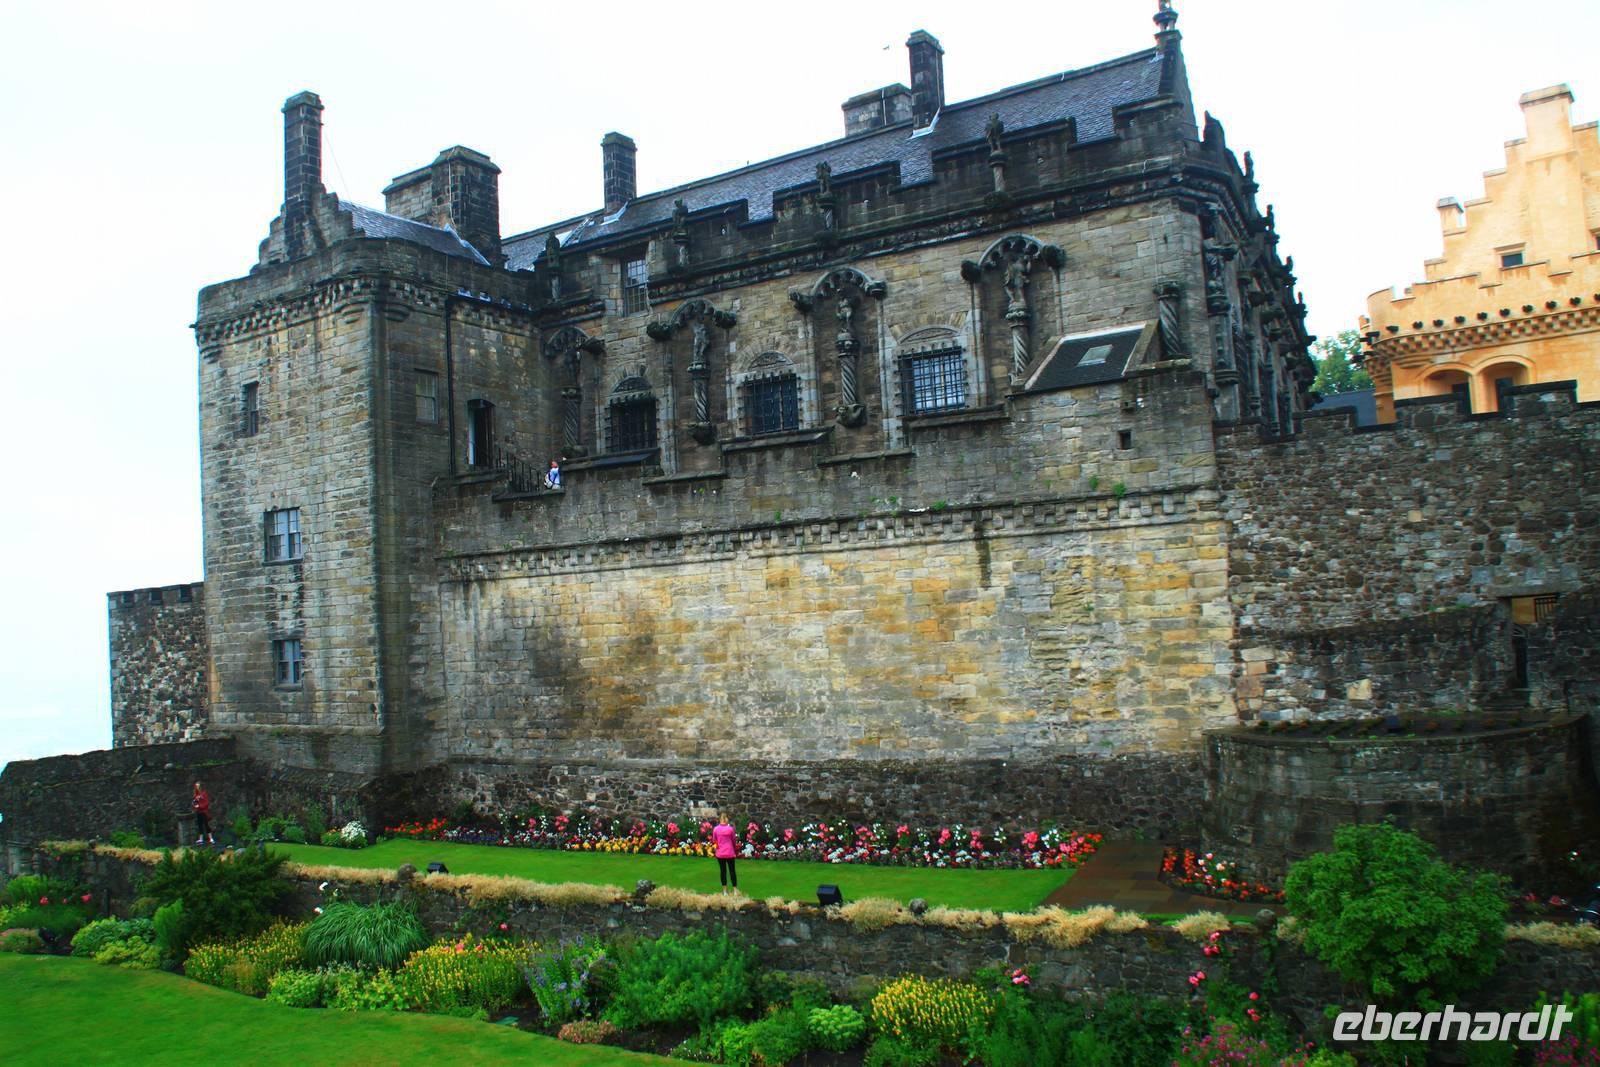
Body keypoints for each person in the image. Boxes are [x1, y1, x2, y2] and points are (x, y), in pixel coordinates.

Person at [711, 813, 738, 893]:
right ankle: (735, 890)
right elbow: (734, 841)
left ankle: (725, 891)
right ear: (726, 819)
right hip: (730, 852)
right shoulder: (730, 829)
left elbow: (714, 841)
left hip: (720, 853)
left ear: (720, 819)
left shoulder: (715, 829)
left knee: (723, 871)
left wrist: (718, 846)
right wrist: (733, 849)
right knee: (732, 871)